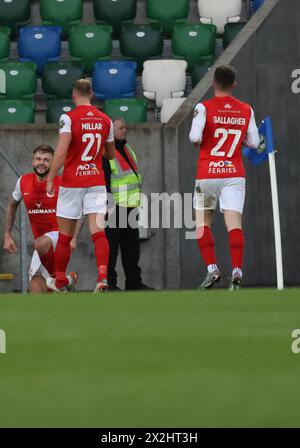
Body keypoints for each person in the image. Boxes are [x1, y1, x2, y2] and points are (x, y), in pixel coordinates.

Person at [189, 65, 260, 290]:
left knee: (202, 224)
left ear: (213, 82)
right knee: (234, 225)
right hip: (234, 173)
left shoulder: (204, 107)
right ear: (234, 84)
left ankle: (212, 269)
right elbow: (255, 143)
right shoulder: (246, 109)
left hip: (208, 172)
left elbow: (194, 137)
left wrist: (203, 139)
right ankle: (237, 271)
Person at [46, 79, 115, 293]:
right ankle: (102, 278)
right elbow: (110, 154)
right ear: (91, 94)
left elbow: (61, 150)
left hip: (72, 182)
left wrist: (50, 177)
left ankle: (59, 281)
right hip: (95, 181)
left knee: (65, 236)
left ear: (74, 94)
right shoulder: (106, 120)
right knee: (98, 232)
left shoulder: (68, 118)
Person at [3, 145, 77, 293]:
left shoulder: (62, 183)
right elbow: (11, 205)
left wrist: (73, 238)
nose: (41, 163)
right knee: (36, 289)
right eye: (38, 159)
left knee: (41, 243)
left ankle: (58, 280)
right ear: (33, 161)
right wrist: (7, 235)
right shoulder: (23, 182)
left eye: (46, 160)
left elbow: (77, 212)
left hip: (60, 236)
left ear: (53, 162)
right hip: (42, 246)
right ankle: (66, 282)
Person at [102, 117, 152, 290]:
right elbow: (105, 182)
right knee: (111, 251)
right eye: (121, 128)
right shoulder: (106, 152)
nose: (125, 130)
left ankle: (134, 283)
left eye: (126, 127)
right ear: (110, 130)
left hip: (130, 208)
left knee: (132, 250)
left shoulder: (127, 149)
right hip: (114, 208)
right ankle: (110, 285)